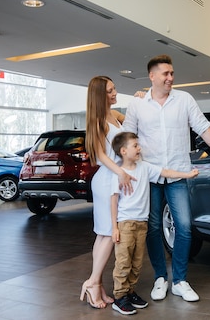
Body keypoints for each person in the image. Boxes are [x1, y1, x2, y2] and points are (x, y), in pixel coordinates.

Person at [123, 54, 210, 302]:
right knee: (154, 229)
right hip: (150, 176)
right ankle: (159, 278)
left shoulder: (184, 99)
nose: (170, 78)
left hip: (178, 173)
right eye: (165, 74)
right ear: (152, 76)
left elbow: (204, 128)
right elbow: (126, 137)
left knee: (185, 227)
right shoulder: (137, 105)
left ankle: (179, 280)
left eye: (172, 73)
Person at [109, 131, 199, 315]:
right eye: (135, 146)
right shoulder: (119, 174)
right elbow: (113, 200)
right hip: (125, 223)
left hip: (142, 223)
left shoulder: (144, 167)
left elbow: (165, 172)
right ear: (124, 151)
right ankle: (119, 297)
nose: (139, 148)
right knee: (123, 261)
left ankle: (130, 292)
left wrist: (186, 174)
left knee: (136, 262)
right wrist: (114, 227)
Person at [80, 76, 135, 309]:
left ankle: (97, 283)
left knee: (103, 235)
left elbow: (131, 119)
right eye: (110, 91)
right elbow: (101, 156)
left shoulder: (113, 115)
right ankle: (92, 282)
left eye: (114, 89)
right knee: (108, 235)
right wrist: (120, 172)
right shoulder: (98, 120)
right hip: (107, 180)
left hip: (114, 179)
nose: (115, 94)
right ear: (100, 95)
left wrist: (140, 100)